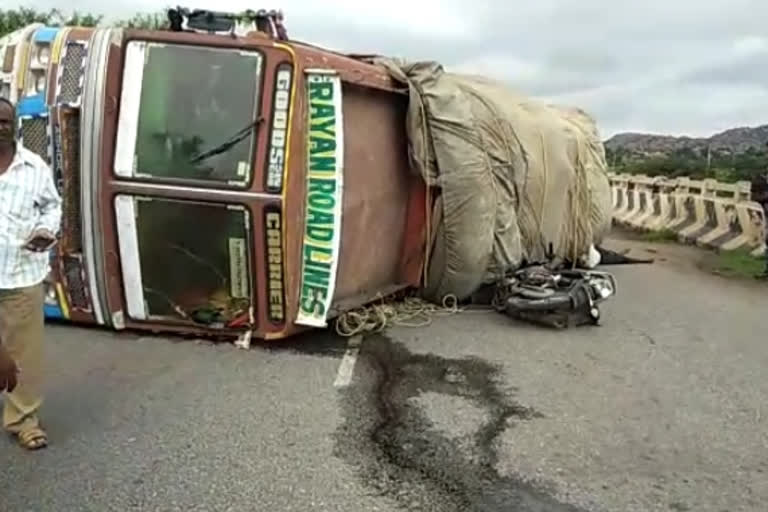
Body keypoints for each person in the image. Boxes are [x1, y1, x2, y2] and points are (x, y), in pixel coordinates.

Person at [0, 97, 62, 450]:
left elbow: (52, 207)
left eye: (5, 121)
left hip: (21, 273)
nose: (0, 127)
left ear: (15, 126)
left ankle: (22, 420)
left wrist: (45, 231)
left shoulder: (34, 167)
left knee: (24, 353)